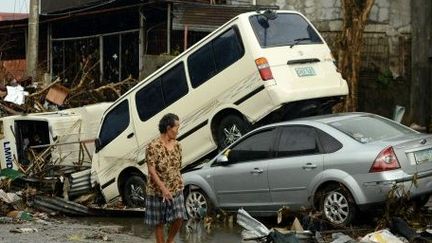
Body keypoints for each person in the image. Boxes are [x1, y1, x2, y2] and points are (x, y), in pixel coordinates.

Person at [144, 113, 187, 243]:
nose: (178, 130)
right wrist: (163, 189)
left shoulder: (178, 145)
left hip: (175, 188)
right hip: (157, 190)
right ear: (168, 128)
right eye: (177, 127)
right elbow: (151, 170)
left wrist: (177, 181)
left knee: (179, 217)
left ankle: (170, 241)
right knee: (159, 223)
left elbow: (177, 166)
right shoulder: (153, 146)